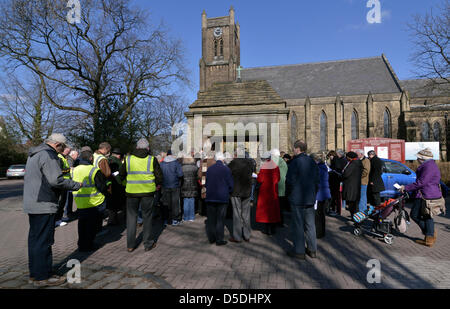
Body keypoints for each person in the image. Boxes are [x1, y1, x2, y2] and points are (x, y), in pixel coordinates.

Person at [23, 133, 82, 287]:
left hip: (33, 202)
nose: (63, 150)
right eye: (63, 147)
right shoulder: (49, 155)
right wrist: (76, 185)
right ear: (57, 145)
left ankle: (35, 274)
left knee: (35, 241)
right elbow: (56, 180)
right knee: (44, 241)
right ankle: (43, 276)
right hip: (44, 203)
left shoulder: (34, 154)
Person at [119, 139, 163, 252]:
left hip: (131, 192)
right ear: (148, 148)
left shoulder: (128, 159)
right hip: (148, 192)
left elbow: (121, 174)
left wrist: (125, 184)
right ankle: (148, 244)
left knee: (131, 218)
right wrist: (157, 185)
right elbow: (159, 176)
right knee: (147, 218)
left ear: (137, 147)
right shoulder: (152, 159)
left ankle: (130, 245)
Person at [401, 148, 441, 247]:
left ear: (423, 158)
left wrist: (406, 188)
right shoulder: (430, 165)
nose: (417, 160)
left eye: (418, 158)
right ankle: (429, 235)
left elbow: (422, 182)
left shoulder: (428, 166)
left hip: (425, 195)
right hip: (428, 194)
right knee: (427, 216)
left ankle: (429, 235)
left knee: (415, 215)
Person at [286, 140, 319, 260]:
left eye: (294, 148)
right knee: (310, 225)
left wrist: (289, 194)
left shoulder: (295, 162)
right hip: (309, 197)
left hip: (297, 198)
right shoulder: (312, 161)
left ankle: (299, 251)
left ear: (297, 149)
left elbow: (290, 181)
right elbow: (317, 181)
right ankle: (312, 249)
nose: (293, 150)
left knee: (298, 224)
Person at [71, 148, 109, 252]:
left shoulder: (74, 170)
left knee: (82, 224)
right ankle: (88, 245)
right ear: (91, 158)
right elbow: (101, 186)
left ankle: (81, 244)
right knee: (91, 226)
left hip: (80, 202)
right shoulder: (94, 170)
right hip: (94, 202)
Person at [205, 152, 234, 246]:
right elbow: (231, 184)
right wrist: (229, 191)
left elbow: (206, 183)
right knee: (220, 219)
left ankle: (212, 238)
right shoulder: (226, 169)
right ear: (223, 159)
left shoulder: (209, 169)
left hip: (210, 196)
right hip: (222, 197)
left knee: (211, 219)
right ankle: (219, 239)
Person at [227, 150, 254, 243]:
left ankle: (237, 236)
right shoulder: (250, 163)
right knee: (246, 215)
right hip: (246, 191)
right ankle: (247, 235)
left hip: (236, 192)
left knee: (237, 214)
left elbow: (228, 175)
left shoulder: (233, 163)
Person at [256, 152, 281, 236]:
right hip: (273, 190)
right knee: (273, 210)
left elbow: (260, 179)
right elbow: (278, 178)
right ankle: (273, 229)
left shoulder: (264, 166)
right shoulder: (275, 166)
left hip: (265, 191)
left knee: (266, 210)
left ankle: (267, 229)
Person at [160, 149, 184, 226]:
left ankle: (166, 219)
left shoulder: (162, 163)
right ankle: (175, 219)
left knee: (166, 203)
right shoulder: (176, 163)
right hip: (175, 185)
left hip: (165, 185)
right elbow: (180, 174)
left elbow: (159, 174)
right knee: (175, 203)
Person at [311, 152, 331, 239]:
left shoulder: (318, 169)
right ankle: (321, 232)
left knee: (317, 215)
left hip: (319, 194)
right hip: (324, 193)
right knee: (321, 214)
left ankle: (318, 233)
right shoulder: (323, 167)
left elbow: (317, 182)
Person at [106, 148, 126, 226]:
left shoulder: (107, 160)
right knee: (121, 202)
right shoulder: (117, 162)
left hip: (109, 184)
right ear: (118, 155)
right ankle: (120, 219)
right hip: (117, 185)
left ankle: (111, 220)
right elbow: (121, 173)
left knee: (111, 203)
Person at [342, 151, 362, 219]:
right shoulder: (358, 162)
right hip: (355, 185)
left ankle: (355, 218)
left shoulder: (353, 164)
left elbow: (346, 174)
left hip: (351, 186)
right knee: (355, 204)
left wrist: (343, 173)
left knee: (352, 204)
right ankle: (356, 217)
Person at [271, 149, 289, 226]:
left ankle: (278, 222)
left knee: (278, 206)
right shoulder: (282, 161)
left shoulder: (278, 160)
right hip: (281, 186)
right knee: (280, 206)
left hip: (278, 186)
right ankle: (280, 222)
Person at [55, 145, 72, 227]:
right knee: (61, 202)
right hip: (62, 183)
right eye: (67, 151)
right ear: (63, 150)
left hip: (65, 182)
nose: (68, 153)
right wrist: (70, 170)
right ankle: (57, 220)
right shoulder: (59, 157)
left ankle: (59, 218)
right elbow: (60, 170)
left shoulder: (63, 157)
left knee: (62, 201)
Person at [328, 150, 347, 215]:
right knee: (336, 195)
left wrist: (332, 170)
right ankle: (335, 209)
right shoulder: (339, 160)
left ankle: (337, 210)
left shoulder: (338, 160)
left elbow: (338, 169)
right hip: (336, 179)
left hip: (337, 180)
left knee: (337, 196)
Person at [181, 155, 199, 222]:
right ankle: (191, 217)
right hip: (193, 185)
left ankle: (186, 217)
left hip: (184, 185)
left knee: (186, 200)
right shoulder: (195, 167)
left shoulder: (182, 167)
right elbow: (197, 177)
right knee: (192, 200)